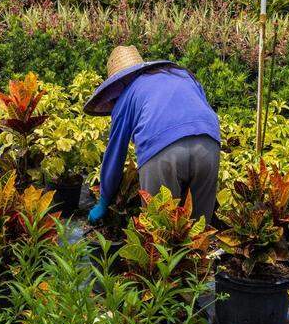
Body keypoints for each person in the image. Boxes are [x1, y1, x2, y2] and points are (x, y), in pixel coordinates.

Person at [84, 45, 221, 225]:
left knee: (159, 233)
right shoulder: (181, 75)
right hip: (209, 145)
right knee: (198, 230)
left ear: (118, 83)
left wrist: (104, 200)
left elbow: (115, 153)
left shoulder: (126, 96)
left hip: (162, 151)